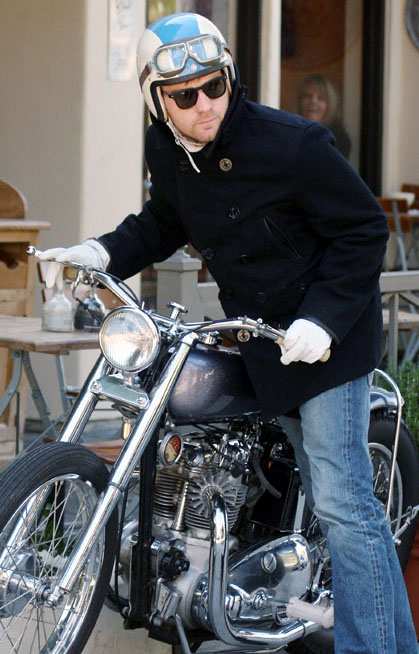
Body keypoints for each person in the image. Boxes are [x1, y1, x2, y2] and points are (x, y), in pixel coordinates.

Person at [39, 13, 417, 654]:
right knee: (279, 475)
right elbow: (164, 221)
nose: (204, 104)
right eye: (185, 96)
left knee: (342, 503)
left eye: (214, 86)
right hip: (265, 343)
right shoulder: (166, 149)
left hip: (326, 343)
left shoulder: (292, 144)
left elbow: (363, 230)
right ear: (158, 102)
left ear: (229, 79)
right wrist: (101, 252)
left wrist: (321, 320)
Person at [297, 73, 351, 158]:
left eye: (321, 98)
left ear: (330, 105)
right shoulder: (289, 131)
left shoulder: (338, 141)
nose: (313, 101)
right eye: (308, 96)